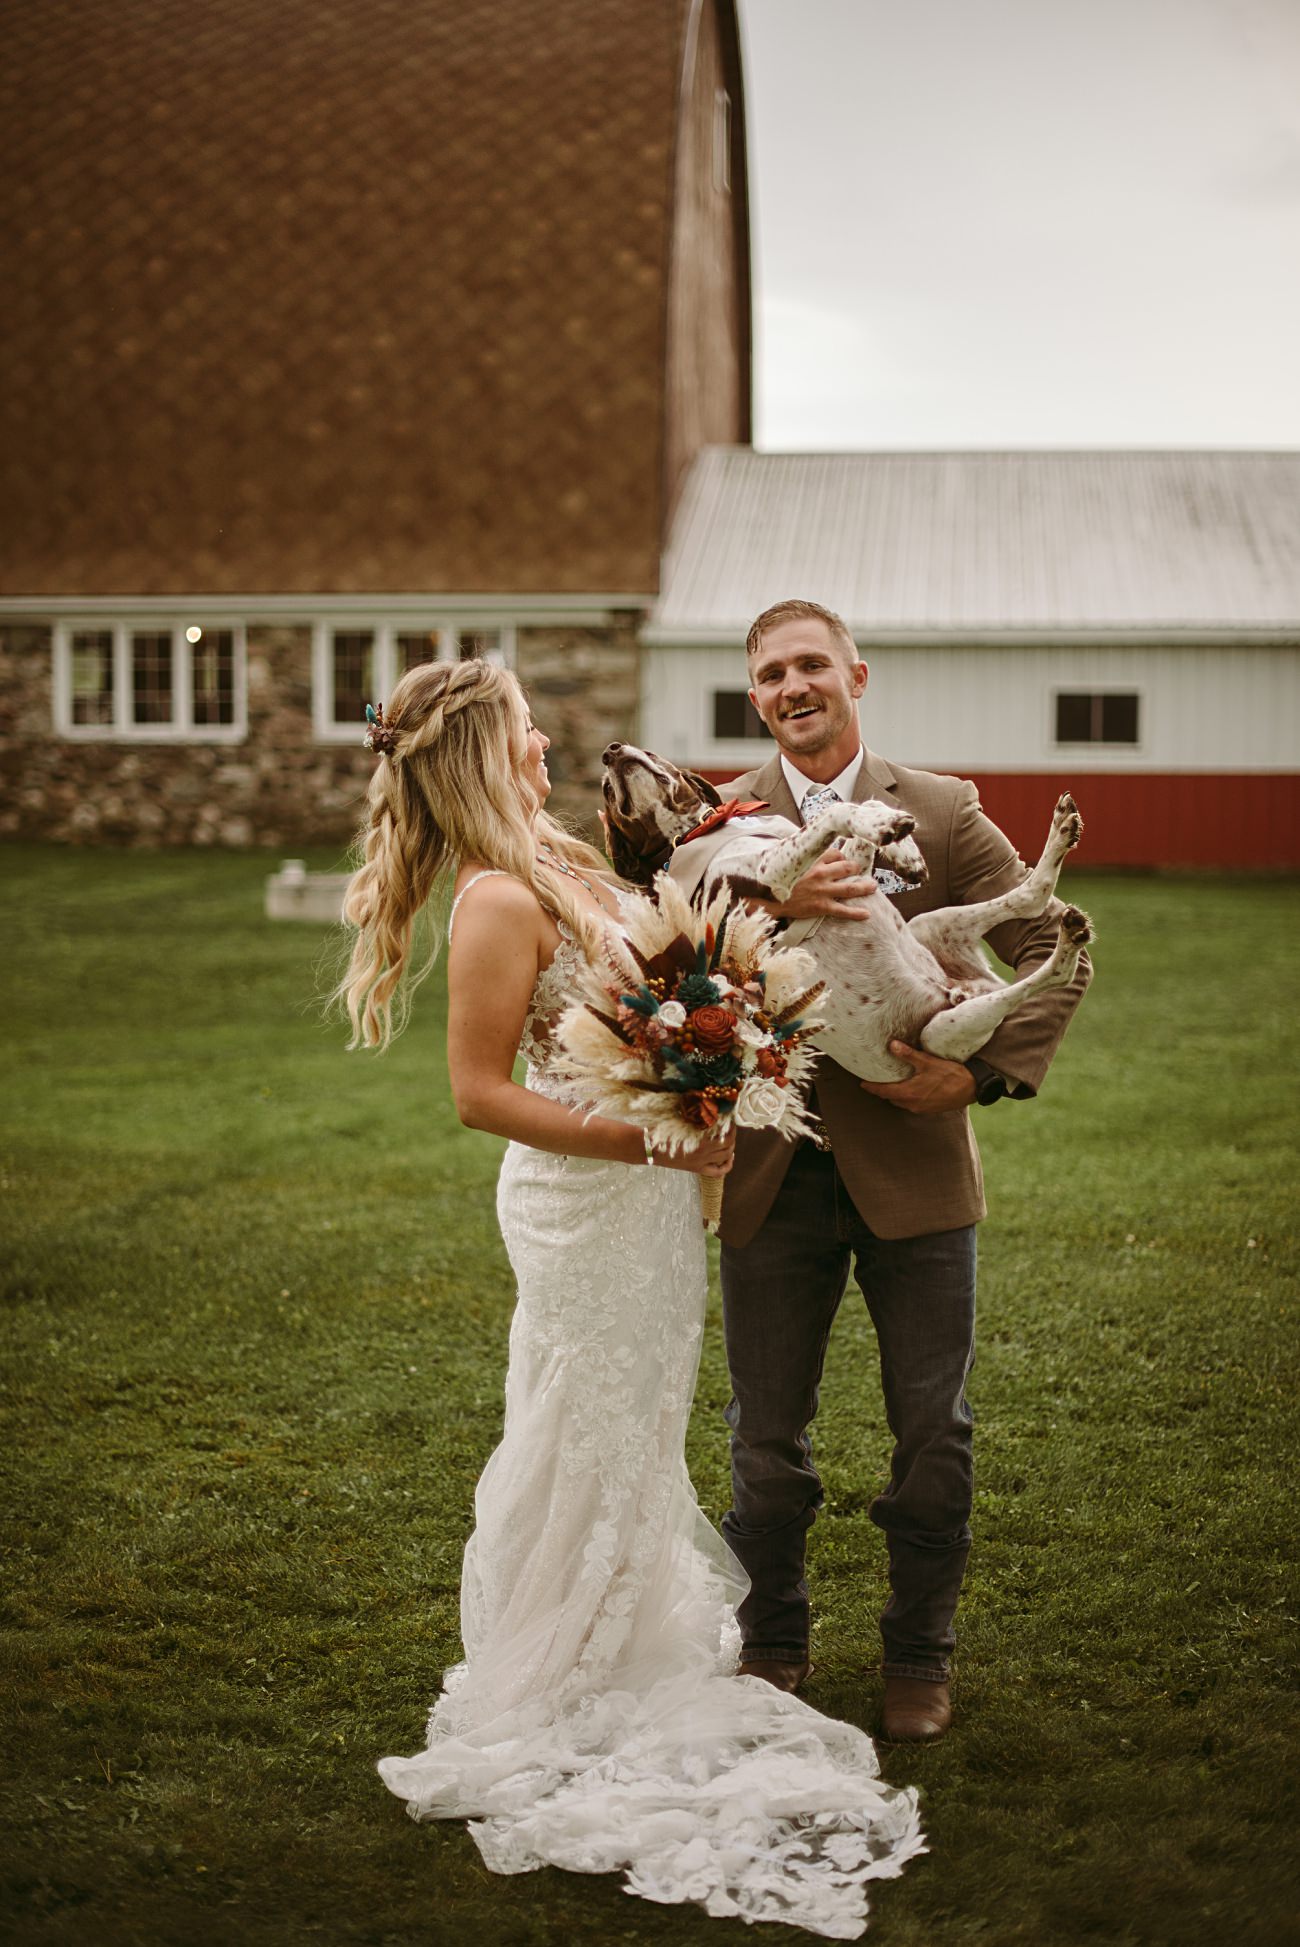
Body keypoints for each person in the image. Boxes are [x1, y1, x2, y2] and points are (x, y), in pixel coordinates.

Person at [337, 657, 923, 1938]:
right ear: (487, 751)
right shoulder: (498, 898)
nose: (546, 744)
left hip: (647, 1200)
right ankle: (562, 1669)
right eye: (526, 729)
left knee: (641, 1420)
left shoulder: (555, 862)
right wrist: (652, 1140)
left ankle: (621, 1640)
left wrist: (719, 1033)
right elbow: (479, 1094)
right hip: (585, 1200)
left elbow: (669, 953)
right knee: (582, 1420)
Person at [718, 599, 1092, 1742]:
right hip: (769, 1176)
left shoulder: (940, 808)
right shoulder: (723, 820)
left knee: (933, 1432)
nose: (793, 687)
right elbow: (665, 955)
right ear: (755, 696)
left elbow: (1054, 942)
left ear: (856, 676)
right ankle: (772, 1640)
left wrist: (975, 1078)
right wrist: (761, 897)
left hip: (918, 1176)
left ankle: (918, 1656)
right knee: (763, 1438)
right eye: (771, 673)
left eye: (811, 665)